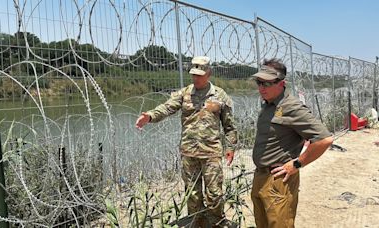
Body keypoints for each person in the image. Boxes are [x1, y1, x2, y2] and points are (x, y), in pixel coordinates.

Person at [135, 56, 238, 227]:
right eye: (193, 75)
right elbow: (167, 108)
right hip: (189, 153)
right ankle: (197, 224)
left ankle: (216, 223)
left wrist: (231, 147)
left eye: (200, 75)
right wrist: (150, 116)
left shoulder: (220, 95)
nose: (196, 78)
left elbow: (229, 126)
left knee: (214, 194)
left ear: (209, 73)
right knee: (193, 195)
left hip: (211, 153)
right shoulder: (184, 94)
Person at [250, 58, 334, 228]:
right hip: (261, 176)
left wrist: (296, 164)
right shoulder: (268, 105)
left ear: (282, 83)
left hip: (278, 180)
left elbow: (324, 139)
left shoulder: (291, 107)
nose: (261, 88)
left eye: (267, 83)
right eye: (259, 82)